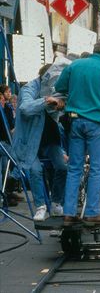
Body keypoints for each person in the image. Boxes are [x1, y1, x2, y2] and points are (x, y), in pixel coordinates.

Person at [55, 39, 100, 225]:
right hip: (96, 123)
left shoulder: (76, 65)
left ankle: (69, 212)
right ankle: (91, 212)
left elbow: (59, 87)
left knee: (74, 168)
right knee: (97, 168)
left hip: (75, 121)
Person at [12, 64, 68, 221]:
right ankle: (41, 206)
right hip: (30, 140)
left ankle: (56, 202)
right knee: (36, 170)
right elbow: (25, 108)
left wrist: (61, 105)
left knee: (63, 167)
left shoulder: (55, 87)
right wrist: (45, 101)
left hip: (50, 137)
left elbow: (58, 109)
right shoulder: (29, 88)